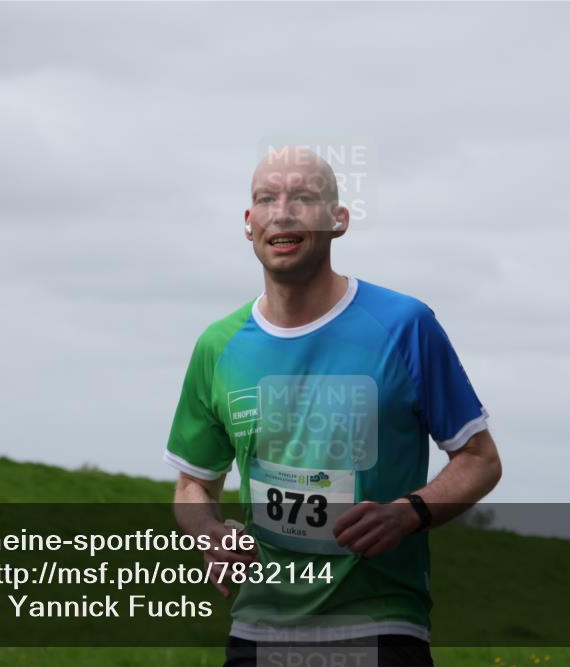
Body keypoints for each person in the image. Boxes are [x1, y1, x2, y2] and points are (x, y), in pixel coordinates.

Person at [164, 146, 503, 667]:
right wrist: (209, 532)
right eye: (266, 199)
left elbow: (479, 460)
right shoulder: (218, 346)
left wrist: (409, 514)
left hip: (381, 624)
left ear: (338, 221)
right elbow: (193, 483)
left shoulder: (405, 325)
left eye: (303, 198)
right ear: (249, 222)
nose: (282, 212)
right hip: (258, 630)